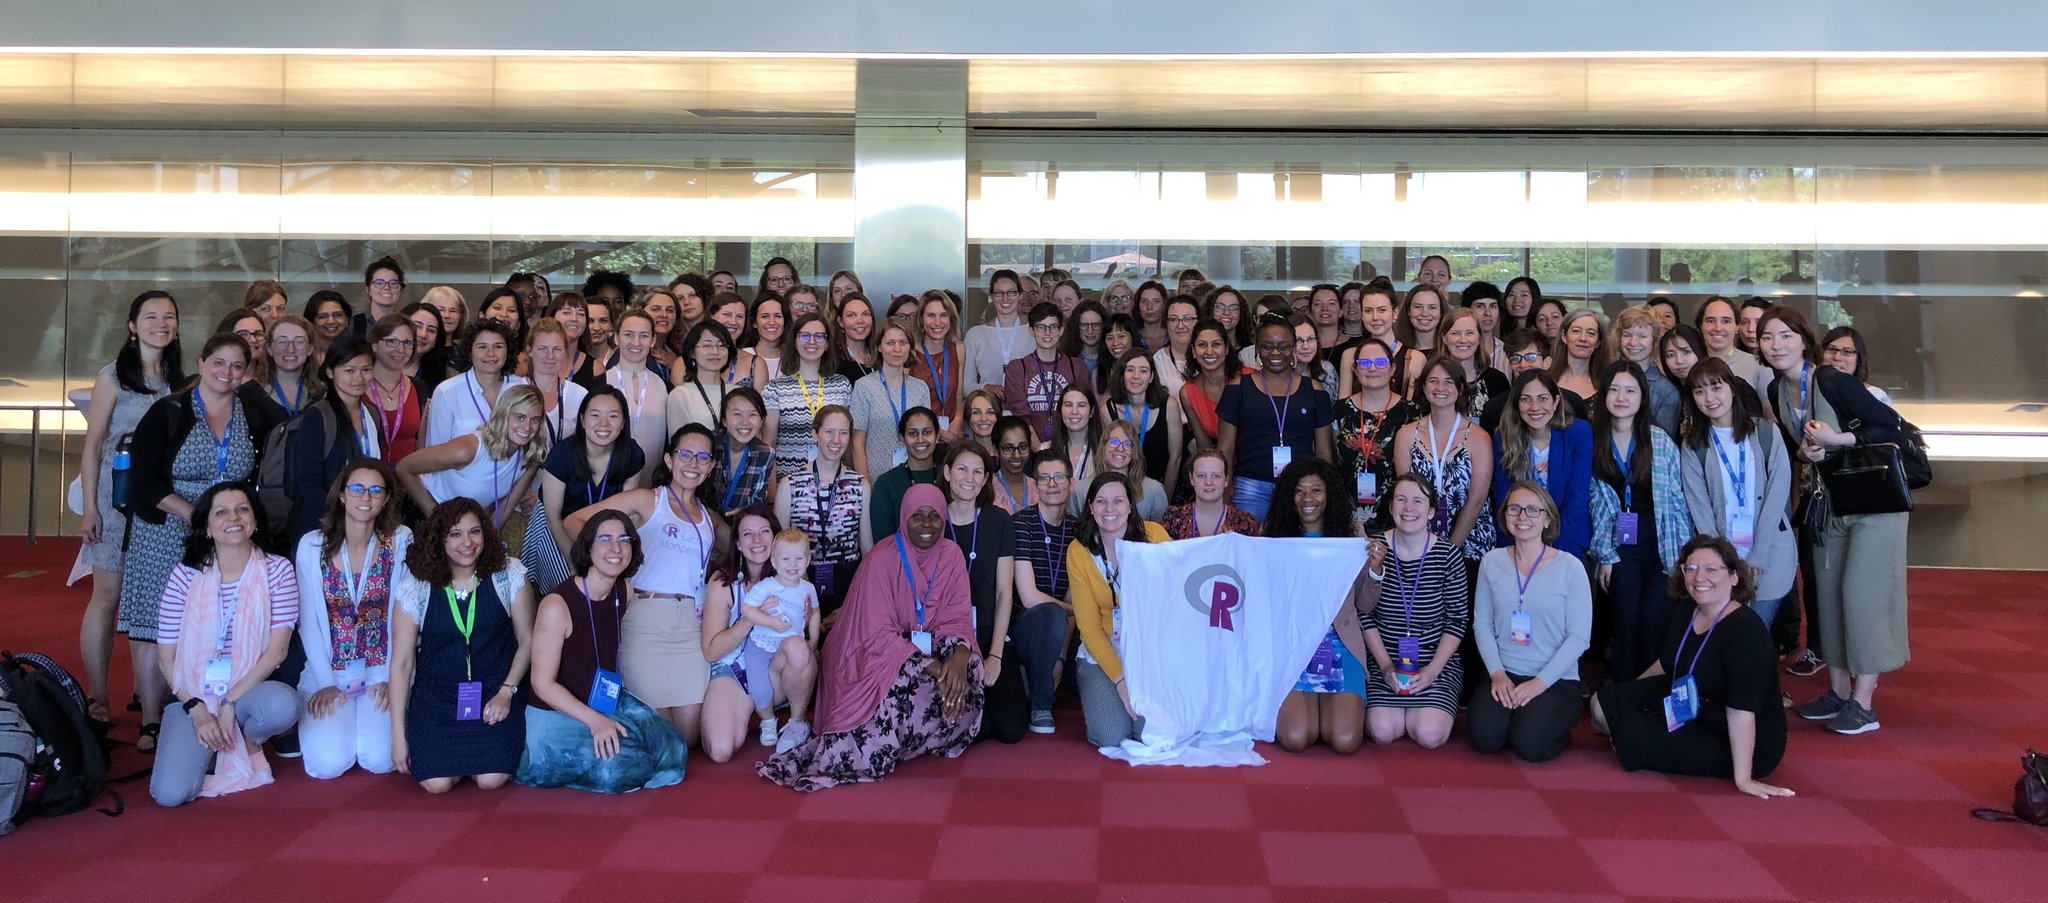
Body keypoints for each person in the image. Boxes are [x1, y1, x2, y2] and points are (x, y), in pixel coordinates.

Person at [759, 485, 983, 790]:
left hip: (919, 648)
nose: (927, 525)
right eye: (918, 516)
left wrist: (957, 657)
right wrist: (936, 668)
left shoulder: (951, 555)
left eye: (935, 517)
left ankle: (923, 735)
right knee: (900, 678)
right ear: (904, 518)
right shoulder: (881, 558)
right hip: (866, 655)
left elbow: (956, 616)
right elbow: (876, 636)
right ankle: (891, 737)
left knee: (969, 666)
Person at [123, 334, 284, 751]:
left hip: (228, 527)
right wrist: (193, 515)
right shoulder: (168, 411)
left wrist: (226, 518)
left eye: (236, 366)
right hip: (169, 528)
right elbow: (143, 479)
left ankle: (224, 699)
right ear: (201, 362)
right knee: (158, 625)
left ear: (246, 372)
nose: (226, 373)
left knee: (217, 617)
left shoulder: (249, 410)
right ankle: (154, 717)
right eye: (218, 363)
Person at [1757, 307, 1911, 736]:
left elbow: (1889, 427)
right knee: (1827, 597)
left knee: (1861, 595)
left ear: (1803, 341)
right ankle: (1839, 692)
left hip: (1874, 504)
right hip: (1829, 504)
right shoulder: (1774, 389)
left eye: (1785, 336)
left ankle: (1864, 703)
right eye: (1767, 338)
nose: (1777, 345)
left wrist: (1837, 439)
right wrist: (1807, 453)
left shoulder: (1829, 379)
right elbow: (1797, 447)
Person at [565, 423, 728, 745]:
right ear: (669, 459)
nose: (692, 464)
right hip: (645, 619)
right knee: (664, 738)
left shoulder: (710, 518)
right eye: (685, 454)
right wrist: (607, 564)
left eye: (702, 457)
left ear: (710, 467)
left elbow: (734, 549)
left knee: (688, 738)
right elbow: (575, 521)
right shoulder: (647, 500)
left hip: (691, 627)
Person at [1593, 537, 1793, 799]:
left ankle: (1650, 738)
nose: (1699, 577)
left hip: (1739, 733)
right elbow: (1666, 663)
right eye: (1691, 568)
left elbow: (1742, 710)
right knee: (1602, 703)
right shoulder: (1688, 610)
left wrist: (1743, 778)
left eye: (1711, 569)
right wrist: (1630, 694)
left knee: (1631, 733)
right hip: (1693, 700)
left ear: (1733, 577)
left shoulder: (1746, 633)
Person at [149, 482, 300, 807]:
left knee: (284, 705)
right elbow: (166, 659)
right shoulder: (183, 576)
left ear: (255, 520)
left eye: (242, 509)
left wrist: (229, 703)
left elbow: (277, 651)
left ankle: (246, 739)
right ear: (206, 526)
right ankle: (212, 745)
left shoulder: (278, 571)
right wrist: (197, 709)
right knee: (170, 795)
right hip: (194, 696)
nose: (234, 517)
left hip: (246, 692)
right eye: (221, 512)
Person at [76, 290, 182, 732]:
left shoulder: (179, 378)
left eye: (169, 316)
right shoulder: (112, 378)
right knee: (108, 597)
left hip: (159, 502)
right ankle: (98, 697)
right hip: (115, 502)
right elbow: (93, 444)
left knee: (154, 604)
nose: (162, 323)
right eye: (151, 316)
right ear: (133, 325)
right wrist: (89, 508)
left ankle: (148, 695)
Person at [387, 498, 534, 793]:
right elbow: (401, 665)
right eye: (455, 534)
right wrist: (398, 736)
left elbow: (528, 639)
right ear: (439, 539)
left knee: (491, 779)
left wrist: (507, 691)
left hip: (497, 693)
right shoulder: (416, 587)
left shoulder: (509, 575)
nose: (467, 543)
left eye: (475, 532)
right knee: (435, 785)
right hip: (437, 700)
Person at [293, 461, 411, 779]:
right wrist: (327, 683)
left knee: (380, 760)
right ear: (343, 495)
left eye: (376, 490)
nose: (365, 497)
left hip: (380, 672)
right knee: (327, 764)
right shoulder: (312, 545)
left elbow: (407, 618)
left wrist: (393, 678)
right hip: (330, 672)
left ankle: (363, 722)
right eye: (357, 488)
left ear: (387, 499)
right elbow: (309, 623)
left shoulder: (400, 541)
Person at [1468, 482, 1592, 763]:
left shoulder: (1570, 567)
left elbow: (1579, 637)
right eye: (1515, 508)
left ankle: (1546, 722)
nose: (1523, 516)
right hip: (1504, 673)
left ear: (1547, 519)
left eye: (1533, 510)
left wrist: (1539, 683)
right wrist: (1497, 674)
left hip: (1554, 679)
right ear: (1505, 515)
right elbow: (1482, 625)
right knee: (1484, 739)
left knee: (1530, 744)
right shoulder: (1491, 562)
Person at [1590, 362, 1694, 682]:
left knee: (1654, 618)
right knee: (1625, 616)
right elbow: (1594, 503)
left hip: (1660, 537)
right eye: (1615, 389)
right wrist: (1606, 555)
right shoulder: (1593, 440)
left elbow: (1677, 501)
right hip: (1618, 540)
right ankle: (1622, 694)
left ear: (1642, 398)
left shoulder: (1659, 440)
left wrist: (1680, 555)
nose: (1622, 397)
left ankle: (1652, 691)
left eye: (1631, 390)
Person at [1679, 357, 1796, 636]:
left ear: (1732, 388)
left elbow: (1778, 493)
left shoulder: (1766, 431)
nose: (1709, 398)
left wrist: (1757, 554)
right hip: (1721, 559)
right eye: (1699, 391)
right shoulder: (1693, 444)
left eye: (1716, 388)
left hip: (1770, 551)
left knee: (1756, 631)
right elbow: (1700, 507)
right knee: (1723, 635)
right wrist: (1721, 559)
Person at [1264, 459, 1373, 755]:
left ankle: (1330, 709)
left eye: (1316, 490)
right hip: (1294, 648)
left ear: (1330, 495)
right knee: (1296, 737)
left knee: (1345, 741)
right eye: (1299, 491)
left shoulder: (1350, 538)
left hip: (1339, 646)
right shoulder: (1273, 538)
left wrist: (1374, 569)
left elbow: (1364, 603)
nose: (1307, 499)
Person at [700, 506, 815, 760]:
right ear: (738, 543)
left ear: (776, 537)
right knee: (720, 749)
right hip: (734, 672)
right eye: (748, 534)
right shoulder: (723, 581)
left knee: (798, 648)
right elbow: (711, 651)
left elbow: (806, 632)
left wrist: (808, 625)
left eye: (764, 531)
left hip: (775, 667)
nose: (757, 540)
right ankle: (749, 712)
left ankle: (796, 722)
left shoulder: (792, 571)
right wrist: (753, 617)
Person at [1362, 474, 1468, 749]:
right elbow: (1363, 614)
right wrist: (1385, 666)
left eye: (1417, 501)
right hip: (1384, 661)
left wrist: (1432, 671)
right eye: (1401, 500)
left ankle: (1429, 700)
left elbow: (1457, 620)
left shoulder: (1448, 555)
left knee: (1428, 734)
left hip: (1435, 664)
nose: (1409, 508)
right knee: (1382, 731)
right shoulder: (1372, 549)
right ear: (1390, 507)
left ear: (1431, 511)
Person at [1067, 473, 1172, 748]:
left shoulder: (1155, 537)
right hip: (1105, 653)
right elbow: (1088, 627)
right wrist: (1121, 680)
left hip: (1151, 654)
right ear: (1090, 506)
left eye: (1117, 501)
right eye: (1101, 502)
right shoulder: (1078, 551)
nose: (1109, 509)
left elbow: (1175, 602)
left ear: (1130, 505)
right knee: (1112, 737)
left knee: (1151, 735)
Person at [933, 443, 1023, 743]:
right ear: (947, 472)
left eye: (977, 471)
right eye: (961, 469)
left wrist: (995, 654)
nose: (969, 478)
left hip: (987, 636)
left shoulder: (999, 521)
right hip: (943, 641)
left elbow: (1004, 594)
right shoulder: (930, 521)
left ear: (985, 479)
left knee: (1010, 729)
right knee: (975, 731)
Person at [527, 388, 644, 593]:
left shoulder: (632, 455)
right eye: (595, 415)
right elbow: (553, 517)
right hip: (554, 527)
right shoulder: (562, 455)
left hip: (604, 530)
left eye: (613, 416)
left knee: (609, 582)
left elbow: (625, 514)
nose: (604, 424)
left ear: (624, 422)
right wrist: (576, 563)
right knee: (567, 584)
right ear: (582, 420)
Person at [1217, 317, 1335, 519]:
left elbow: (1324, 452)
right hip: (1250, 486)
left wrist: (1327, 493)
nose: (1275, 352)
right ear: (1257, 350)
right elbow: (1225, 449)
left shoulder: (1314, 390)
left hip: (1301, 488)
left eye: (1283, 346)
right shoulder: (1238, 388)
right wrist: (1224, 491)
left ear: (1293, 348)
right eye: (1267, 346)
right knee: (1252, 547)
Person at [1393, 354, 1495, 564]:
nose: (1441, 387)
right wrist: (1427, 547)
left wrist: (1448, 551)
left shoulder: (1479, 437)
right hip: (1419, 541)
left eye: (1449, 381)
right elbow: (1406, 495)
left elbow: (1476, 500)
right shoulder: (1406, 435)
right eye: (1433, 381)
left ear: (1460, 389)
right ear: (1423, 387)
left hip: (1470, 543)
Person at [282, 334, 384, 541]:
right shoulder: (317, 416)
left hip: (363, 524)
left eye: (366, 370)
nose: (359, 378)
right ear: (330, 372)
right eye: (349, 371)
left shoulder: (371, 413)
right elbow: (308, 482)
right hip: (322, 528)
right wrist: (337, 522)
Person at [397, 385, 548, 524]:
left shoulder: (531, 457)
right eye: (520, 417)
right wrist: (436, 518)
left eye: (534, 420)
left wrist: (489, 544)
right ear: (504, 415)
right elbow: (404, 468)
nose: (527, 427)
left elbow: (505, 509)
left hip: (464, 524)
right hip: (426, 509)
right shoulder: (468, 449)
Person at [774, 405, 872, 617]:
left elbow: (866, 547)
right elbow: (778, 546)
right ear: (815, 434)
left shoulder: (860, 485)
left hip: (848, 581)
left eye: (843, 433)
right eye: (829, 432)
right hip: (799, 579)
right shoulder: (789, 484)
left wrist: (862, 594)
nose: (836, 441)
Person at [1491, 370, 1593, 558]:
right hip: (1517, 537)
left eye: (1543, 398)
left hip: (1567, 539)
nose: (1535, 407)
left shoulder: (1578, 433)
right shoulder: (1503, 437)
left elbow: (1577, 498)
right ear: (1516, 404)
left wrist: (1551, 548)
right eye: (1526, 399)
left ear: (1555, 402)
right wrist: (1522, 542)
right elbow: (1504, 497)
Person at [736, 529, 822, 748]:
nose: (792, 565)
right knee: (760, 688)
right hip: (761, 645)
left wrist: (812, 640)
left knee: (798, 660)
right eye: (785, 559)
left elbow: (815, 612)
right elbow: (747, 609)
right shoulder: (767, 586)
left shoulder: (808, 588)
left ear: (808, 560)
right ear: (774, 562)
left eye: (799, 558)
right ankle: (767, 720)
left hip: (787, 644)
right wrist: (771, 623)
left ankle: (796, 722)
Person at [1011, 451, 1077, 735]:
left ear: (1070, 483)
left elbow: (1076, 598)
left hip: (1063, 628)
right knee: (1050, 611)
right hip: (1025, 624)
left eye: (1059, 477)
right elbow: (1028, 596)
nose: (1052, 484)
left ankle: (1040, 675)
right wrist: (1075, 610)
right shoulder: (1020, 523)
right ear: (1034, 484)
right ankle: (1041, 705)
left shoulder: (1078, 529)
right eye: (1044, 478)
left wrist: (1060, 657)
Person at [1333, 337, 1417, 532]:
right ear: (1354, 370)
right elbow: (1331, 461)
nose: (1372, 368)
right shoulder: (1340, 410)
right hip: (1347, 517)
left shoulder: (1410, 413)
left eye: (1380, 362)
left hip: (1395, 518)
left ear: (1392, 369)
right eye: (1364, 363)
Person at [761, 314, 854, 478]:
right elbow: (769, 445)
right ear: (795, 342)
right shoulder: (775, 388)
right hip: (789, 483)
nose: (812, 342)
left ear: (826, 344)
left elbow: (848, 439)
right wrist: (772, 491)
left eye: (819, 337)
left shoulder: (842, 385)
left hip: (835, 481)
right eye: (804, 336)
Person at [849, 321, 934, 481]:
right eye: (890, 343)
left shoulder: (920, 388)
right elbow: (857, 443)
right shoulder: (864, 386)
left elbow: (927, 439)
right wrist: (864, 484)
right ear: (879, 347)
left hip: (914, 478)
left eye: (903, 342)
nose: (897, 349)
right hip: (876, 479)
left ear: (910, 347)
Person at [423, 321, 529, 447]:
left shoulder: (521, 387)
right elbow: (435, 450)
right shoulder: (446, 391)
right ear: (469, 352)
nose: (491, 354)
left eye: (498, 346)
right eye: (482, 347)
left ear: (508, 351)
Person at [1102, 348, 1184, 502]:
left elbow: (1175, 458)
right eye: (1130, 370)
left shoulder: (1169, 405)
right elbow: (1109, 460)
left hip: (1163, 487)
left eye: (1144, 371)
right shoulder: (1107, 411)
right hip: (1123, 492)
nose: (1136, 376)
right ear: (1122, 375)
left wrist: (1162, 500)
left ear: (1152, 377)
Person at [1005, 302, 1089, 441]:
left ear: (1061, 330)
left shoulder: (1076, 367)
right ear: (1031, 330)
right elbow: (1021, 416)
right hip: (1030, 448)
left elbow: (1083, 411)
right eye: (1041, 327)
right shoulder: (1018, 368)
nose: (1048, 333)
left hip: (1069, 446)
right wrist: (1040, 450)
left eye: (1053, 327)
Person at [604, 309, 670, 486]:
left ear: (653, 340)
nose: (636, 342)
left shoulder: (665, 386)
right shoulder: (599, 384)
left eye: (644, 335)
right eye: (629, 335)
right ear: (616, 338)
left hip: (652, 484)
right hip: (607, 484)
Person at [1480, 329, 1588, 432]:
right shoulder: (1494, 408)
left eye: (1531, 357)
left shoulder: (1573, 402)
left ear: (1547, 363)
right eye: (1515, 358)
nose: (1523, 364)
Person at [868, 406, 943, 542]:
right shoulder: (886, 483)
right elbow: (883, 540)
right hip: (899, 561)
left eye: (927, 432)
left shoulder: (949, 477)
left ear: (937, 436)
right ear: (902, 438)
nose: (920, 439)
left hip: (945, 560)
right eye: (913, 433)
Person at [1609, 306, 1683, 438]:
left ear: (1654, 341)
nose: (1633, 343)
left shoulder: (1666, 391)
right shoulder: (1607, 377)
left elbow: (1663, 442)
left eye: (1642, 336)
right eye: (1627, 335)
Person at [1162, 449, 1262, 539]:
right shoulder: (1174, 519)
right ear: (1192, 479)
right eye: (1201, 475)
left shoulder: (1245, 522)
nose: (1208, 482)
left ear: (1226, 480)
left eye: (1216, 476)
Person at [366, 315, 427, 464]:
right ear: (374, 345)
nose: (400, 349)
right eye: (391, 341)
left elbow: (422, 445)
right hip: (367, 483)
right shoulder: (357, 386)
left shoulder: (419, 388)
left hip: (406, 481)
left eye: (407, 343)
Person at [664, 321, 743, 431]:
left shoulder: (738, 393)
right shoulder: (680, 395)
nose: (715, 351)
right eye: (707, 345)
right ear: (692, 352)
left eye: (721, 345)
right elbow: (678, 443)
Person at [708, 387, 775, 515]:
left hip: (741, 521)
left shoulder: (766, 454)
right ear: (724, 420)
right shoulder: (710, 443)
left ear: (761, 421)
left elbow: (757, 499)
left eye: (753, 414)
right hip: (704, 517)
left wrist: (746, 513)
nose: (745, 422)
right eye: (737, 414)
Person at [909, 290, 967, 437]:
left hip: (953, 433)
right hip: (921, 435)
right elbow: (907, 406)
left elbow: (958, 396)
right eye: (931, 315)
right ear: (921, 319)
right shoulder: (910, 353)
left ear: (951, 319)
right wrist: (941, 434)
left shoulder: (959, 349)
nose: (937, 322)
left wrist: (958, 419)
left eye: (943, 315)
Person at [965, 269, 1031, 395]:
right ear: (991, 296)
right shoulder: (975, 335)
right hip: (989, 409)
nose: (1005, 298)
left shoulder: (1034, 333)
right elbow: (965, 386)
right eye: (998, 293)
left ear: (1020, 295)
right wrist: (985, 387)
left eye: (1011, 292)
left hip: (1026, 411)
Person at [526, 318, 588, 448]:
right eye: (542, 349)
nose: (550, 356)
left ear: (566, 352)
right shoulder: (512, 389)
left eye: (557, 349)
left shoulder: (580, 395)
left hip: (561, 467)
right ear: (530, 351)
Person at [1338, 283, 1408, 396]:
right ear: (1362, 314)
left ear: (1395, 313)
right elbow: (1343, 404)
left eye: (1382, 310)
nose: (1375, 317)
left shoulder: (1413, 358)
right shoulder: (1350, 356)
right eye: (1368, 311)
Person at [1440, 308, 1508, 422]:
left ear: (1479, 338)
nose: (1463, 340)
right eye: (1455, 333)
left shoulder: (1497, 380)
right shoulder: (1433, 379)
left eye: (1469, 333)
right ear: (1444, 338)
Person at [1092, 419, 1167, 522]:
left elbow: (1160, 533)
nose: (1120, 448)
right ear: (1103, 446)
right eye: (1114, 442)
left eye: (1127, 444)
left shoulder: (1154, 491)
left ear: (1134, 451)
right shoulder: (1080, 491)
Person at [1178, 320, 1235, 455]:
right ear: (1193, 350)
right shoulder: (1188, 392)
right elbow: (1204, 448)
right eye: (1202, 345)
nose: (1209, 351)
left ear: (1226, 349)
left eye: (1216, 344)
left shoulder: (1247, 379)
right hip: (1219, 466)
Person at [1696, 296, 1770, 396]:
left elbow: (1768, 410)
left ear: (1737, 327)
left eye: (1726, 321)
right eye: (1710, 321)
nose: (1718, 328)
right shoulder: (1690, 363)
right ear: (1701, 326)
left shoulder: (1758, 365)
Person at [260, 315, 320, 419]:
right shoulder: (249, 394)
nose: (291, 349)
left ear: (310, 348)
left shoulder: (320, 393)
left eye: (299, 341)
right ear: (269, 348)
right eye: (282, 342)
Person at [1048, 383, 1104, 490]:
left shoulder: (1105, 453)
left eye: (1081, 405)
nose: (1074, 412)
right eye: (1068, 405)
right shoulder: (1045, 449)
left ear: (1091, 412)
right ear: (1061, 410)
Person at [1821, 326, 1892, 405]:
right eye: (1831, 349)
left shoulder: (1875, 396)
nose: (1837, 357)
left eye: (1847, 351)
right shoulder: (1809, 391)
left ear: (1859, 359)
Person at [1552, 308, 1607, 401]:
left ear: (1598, 342)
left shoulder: (1608, 382)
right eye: (1576, 331)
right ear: (1564, 336)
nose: (1583, 338)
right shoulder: (1546, 379)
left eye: (1591, 333)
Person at [1393, 284, 1444, 378]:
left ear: (1441, 312)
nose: (1424, 313)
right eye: (1418, 307)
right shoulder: (1395, 349)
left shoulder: (1451, 350)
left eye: (1432, 307)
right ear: (1408, 311)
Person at [988, 416, 1037, 515]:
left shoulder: (1038, 487)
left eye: (1022, 447)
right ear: (996, 450)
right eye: (1009, 448)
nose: (1017, 455)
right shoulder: (986, 488)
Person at [833, 292, 879, 383]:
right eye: (851, 315)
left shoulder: (882, 356)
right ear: (841, 321)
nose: (860, 321)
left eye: (865, 314)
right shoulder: (833, 360)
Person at [357, 255, 407, 335]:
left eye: (393, 283)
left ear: (400, 290)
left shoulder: (406, 326)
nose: (387, 287)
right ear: (368, 290)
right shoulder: (355, 324)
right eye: (379, 283)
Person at [1060, 299, 1109, 376]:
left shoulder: (1112, 358)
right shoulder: (1065, 358)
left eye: (1096, 325)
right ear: (1076, 327)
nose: (1090, 331)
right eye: (1084, 325)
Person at [304, 291, 353, 359]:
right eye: (323, 316)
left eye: (337, 315)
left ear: (347, 319)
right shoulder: (303, 354)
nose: (331, 321)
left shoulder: (359, 352)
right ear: (312, 321)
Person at [962, 388, 1004, 457]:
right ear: (967, 418)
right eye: (976, 412)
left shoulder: (1008, 455)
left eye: (990, 412)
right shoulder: (961, 456)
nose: (983, 419)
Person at [1134, 280, 1170, 352]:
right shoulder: (1132, 339)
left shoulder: (1173, 337)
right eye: (1144, 301)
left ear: (1164, 305)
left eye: (1156, 301)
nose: (1149, 307)